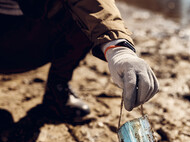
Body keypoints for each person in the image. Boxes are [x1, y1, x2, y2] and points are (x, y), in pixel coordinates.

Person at [0, 0, 159, 120]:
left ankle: (57, 89)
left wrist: (118, 49)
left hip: (33, 34)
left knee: (83, 16)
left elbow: (93, 4)